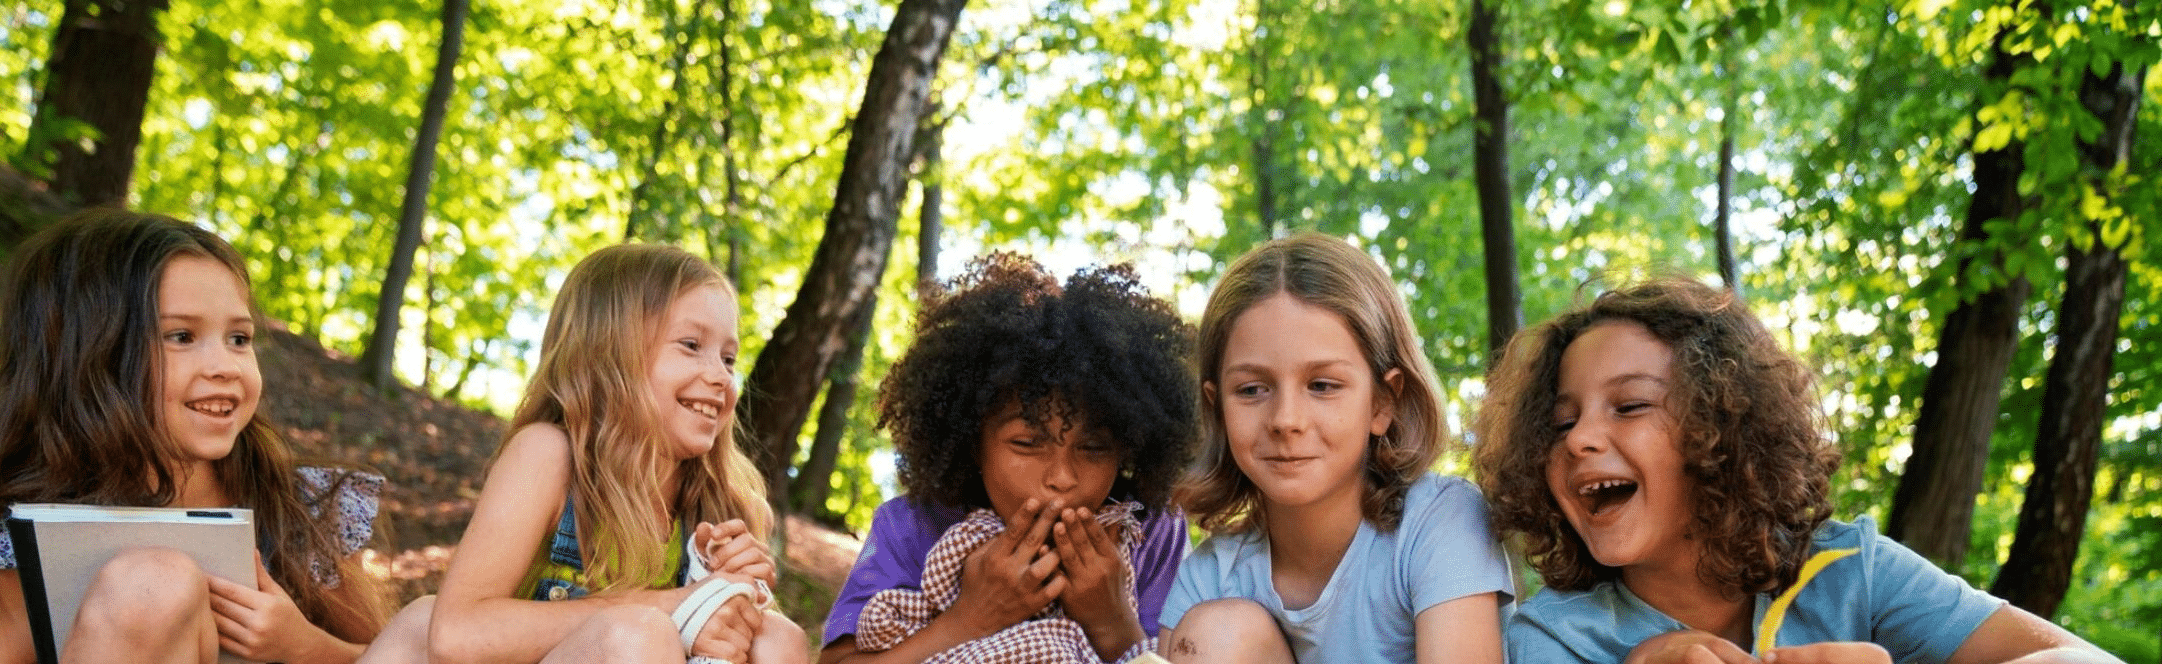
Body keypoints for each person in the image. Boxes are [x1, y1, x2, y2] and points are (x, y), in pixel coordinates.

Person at [1473, 276, 2123, 664]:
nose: (1580, 439)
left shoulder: (1849, 570)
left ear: (1724, 426)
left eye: (1631, 405)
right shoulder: (1554, 636)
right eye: (1561, 422)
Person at [0, 208, 391, 664]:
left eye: (239, 339)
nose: (225, 366)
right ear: (89, 356)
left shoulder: (300, 508)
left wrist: (304, 645)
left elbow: (392, 654)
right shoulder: (36, 524)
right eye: (182, 336)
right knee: (150, 585)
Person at [392, 244, 804, 664]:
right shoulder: (549, 457)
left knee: (777, 638)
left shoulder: (723, 507)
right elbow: (456, 634)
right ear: (610, 352)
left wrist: (731, 598)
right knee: (636, 635)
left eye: (729, 359)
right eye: (690, 345)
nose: (721, 377)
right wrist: (679, 605)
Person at [818, 254, 1197, 664]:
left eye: (1093, 448)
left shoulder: (1152, 533)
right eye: (1027, 443)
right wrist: (969, 620)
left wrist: (1112, 625)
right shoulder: (911, 526)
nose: (1062, 477)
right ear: (972, 442)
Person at [1159, 233, 1511, 664]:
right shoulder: (1209, 579)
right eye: (1251, 390)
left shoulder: (1438, 523)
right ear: (1218, 410)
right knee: (1214, 634)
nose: (1286, 420)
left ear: (1383, 402)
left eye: (1322, 386)